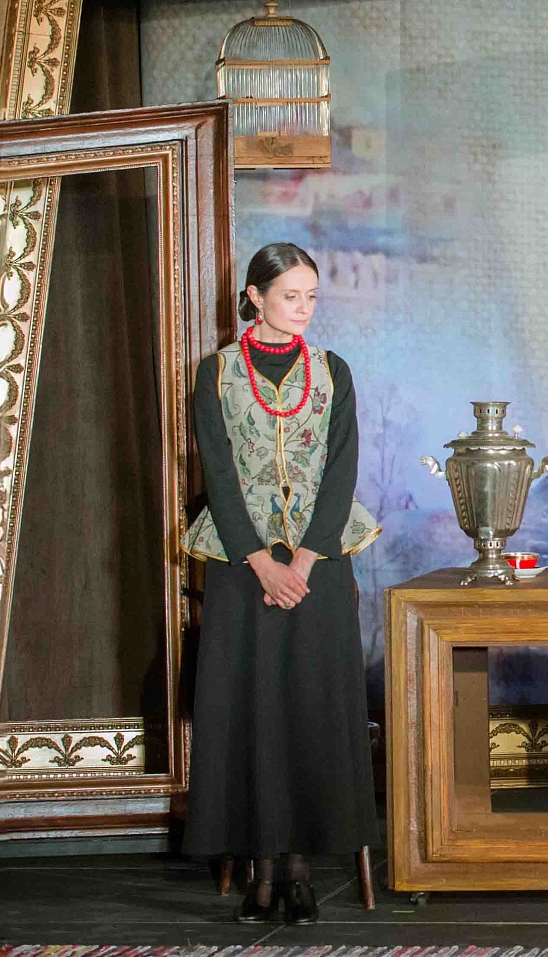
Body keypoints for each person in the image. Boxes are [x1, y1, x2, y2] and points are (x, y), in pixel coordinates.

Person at [178, 242, 381, 925]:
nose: (303, 308)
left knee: (310, 706)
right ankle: (261, 872)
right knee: (253, 707)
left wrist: (303, 561)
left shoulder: (333, 371)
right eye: (290, 295)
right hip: (242, 567)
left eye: (311, 296)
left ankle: (298, 871)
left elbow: (343, 468)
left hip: (318, 567)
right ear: (255, 297)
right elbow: (218, 472)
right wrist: (260, 561)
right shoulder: (216, 373)